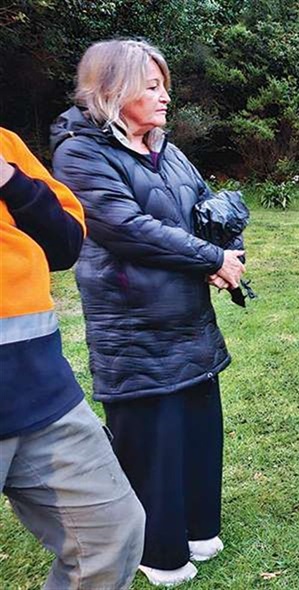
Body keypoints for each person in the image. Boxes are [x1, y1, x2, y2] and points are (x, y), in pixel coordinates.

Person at [50, 40, 246, 587]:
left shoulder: (166, 148)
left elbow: (209, 208)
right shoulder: (80, 152)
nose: (166, 98)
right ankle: (157, 550)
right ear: (113, 92)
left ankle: (199, 528)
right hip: (132, 324)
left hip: (188, 318)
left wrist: (229, 254)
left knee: (200, 429)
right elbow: (126, 228)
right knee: (151, 441)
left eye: (165, 85)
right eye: (152, 87)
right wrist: (210, 258)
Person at [0, 127, 145, 588]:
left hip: (41, 391)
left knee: (111, 535)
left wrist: (8, 178)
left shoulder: (6, 144)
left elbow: (65, 244)